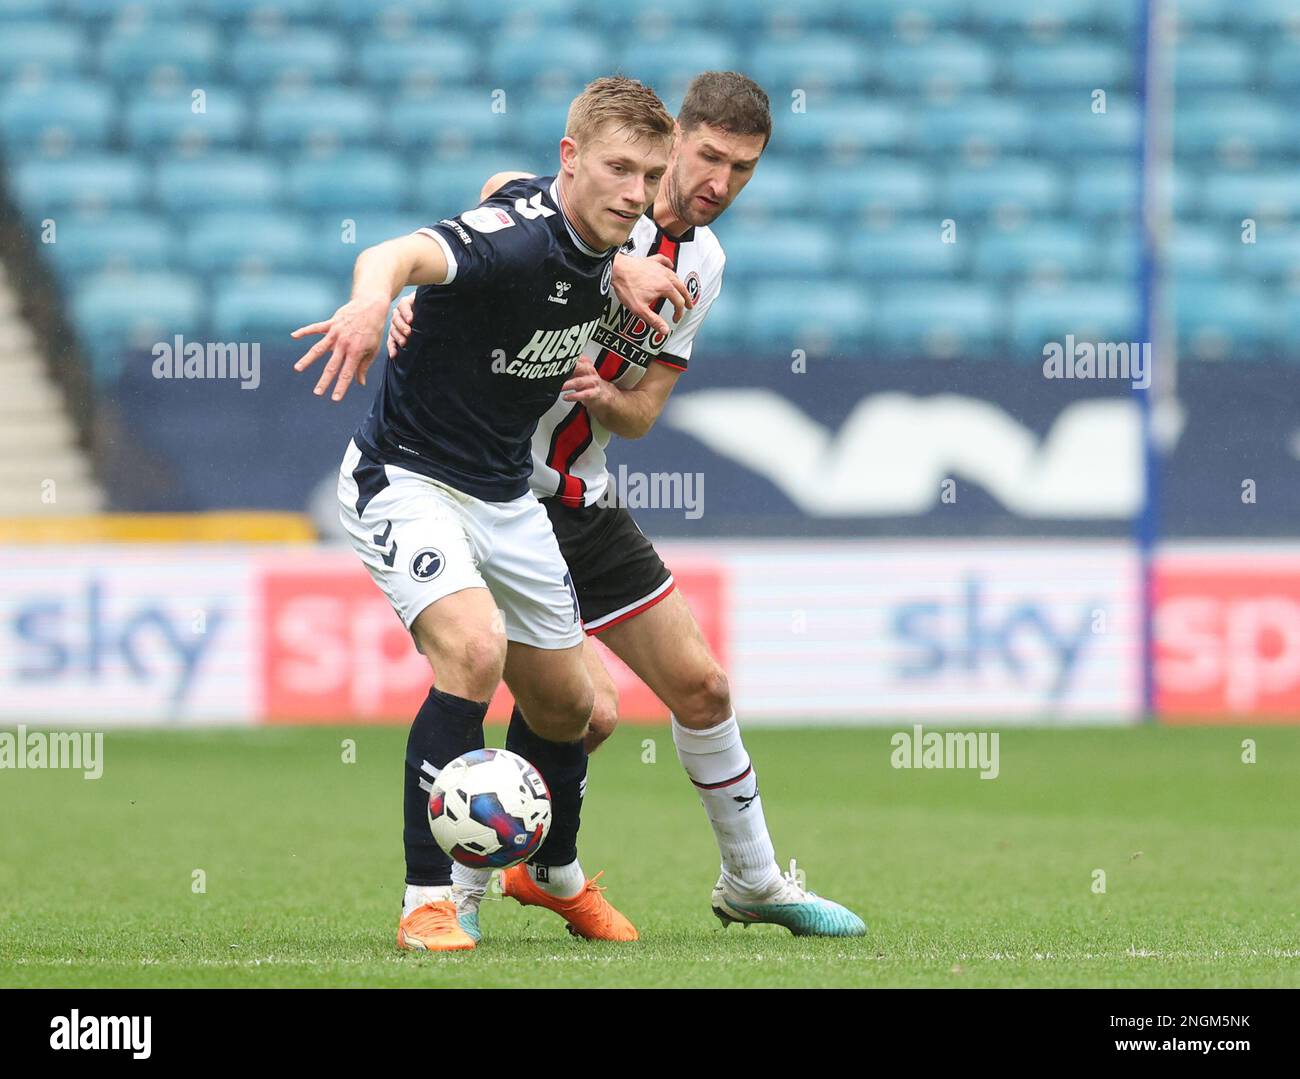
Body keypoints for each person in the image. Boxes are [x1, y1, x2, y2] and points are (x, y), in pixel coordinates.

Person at [389, 72, 865, 939]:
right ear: (675, 139)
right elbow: (503, 199)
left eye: (744, 168)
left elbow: (643, 411)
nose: (721, 181)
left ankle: (751, 879)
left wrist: (603, 399)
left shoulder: (706, 265)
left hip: (578, 499)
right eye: (710, 155)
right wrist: (424, 304)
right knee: (578, 706)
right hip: (483, 483)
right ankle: (466, 890)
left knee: (702, 684)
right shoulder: (608, 192)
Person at [293, 76, 675, 952]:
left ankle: (552, 877)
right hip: (407, 475)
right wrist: (371, 302)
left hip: (506, 490)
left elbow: (503, 179)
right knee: (473, 648)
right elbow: (402, 253)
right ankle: (427, 899)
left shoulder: (598, 226)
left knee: (579, 708)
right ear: (571, 161)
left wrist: (615, 260)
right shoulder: (509, 245)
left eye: (649, 176)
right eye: (618, 169)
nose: (636, 192)